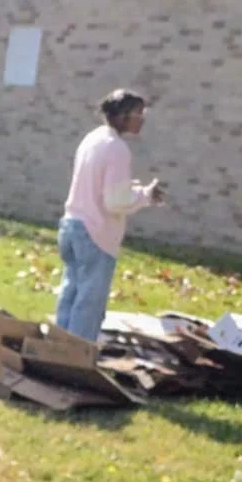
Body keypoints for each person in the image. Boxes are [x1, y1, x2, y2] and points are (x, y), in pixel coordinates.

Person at [55, 89, 166, 342]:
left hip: (71, 225)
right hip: (95, 234)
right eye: (139, 113)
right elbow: (115, 202)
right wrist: (146, 195)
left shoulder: (93, 138)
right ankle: (78, 355)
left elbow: (99, 187)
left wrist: (133, 189)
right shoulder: (117, 148)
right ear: (123, 115)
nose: (142, 119)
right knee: (89, 305)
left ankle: (57, 348)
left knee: (70, 295)